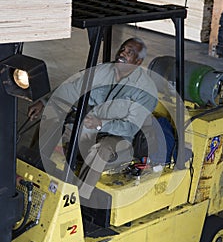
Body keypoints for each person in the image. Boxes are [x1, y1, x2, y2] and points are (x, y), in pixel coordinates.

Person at [28, 37, 158, 199]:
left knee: (100, 150)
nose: (122, 54)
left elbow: (130, 128)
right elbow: (72, 89)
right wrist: (44, 102)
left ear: (138, 62)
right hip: (89, 125)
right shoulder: (103, 71)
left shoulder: (146, 90)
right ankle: (32, 174)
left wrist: (100, 124)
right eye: (122, 49)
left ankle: (79, 199)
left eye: (129, 52)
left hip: (119, 138)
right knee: (53, 119)